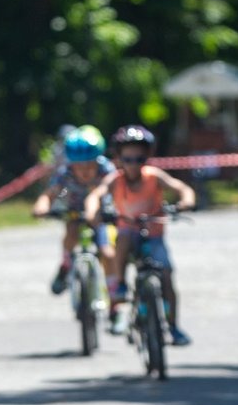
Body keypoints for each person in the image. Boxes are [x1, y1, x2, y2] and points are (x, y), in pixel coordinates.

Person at [84, 124, 196, 345]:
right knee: (122, 241)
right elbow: (95, 196)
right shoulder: (115, 180)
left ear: (147, 157)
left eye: (139, 159)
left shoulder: (154, 176)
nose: (133, 165)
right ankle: (120, 290)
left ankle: (173, 326)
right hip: (127, 230)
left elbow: (182, 188)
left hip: (153, 234)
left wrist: (186, 202)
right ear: (119, 159)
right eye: (128, 159)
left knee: (166, 274)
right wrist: (92, 212)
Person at [32, 124, 117, 301]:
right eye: (79, 166)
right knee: (71, 233)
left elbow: (118, 191)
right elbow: (51, 192)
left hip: (101, 215)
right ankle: (65, 265)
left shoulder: (107, 170)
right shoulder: (65, 173)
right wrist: (42, 205)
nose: (85, 171)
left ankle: (114, 300)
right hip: (75, 212)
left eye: (90, 166)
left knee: (108, 253)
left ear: (98, 160)